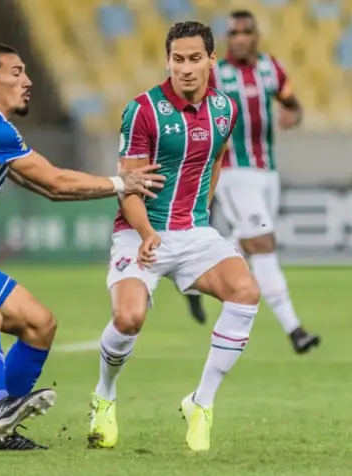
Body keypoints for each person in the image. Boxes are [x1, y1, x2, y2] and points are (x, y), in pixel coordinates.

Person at [0, 43, 165, 452]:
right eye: (16, 72)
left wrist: (113, 187)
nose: (27, 81)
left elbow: (48, 190)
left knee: (39, 324)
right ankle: (0, 405)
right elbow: (54, 180)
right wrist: (119, 183)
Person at [88, 21, 259, 452]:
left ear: (211, 61)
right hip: (139, 231)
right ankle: (104, 396)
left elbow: (216, 161)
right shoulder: (142, 110)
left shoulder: (225, 109)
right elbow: (128, 184)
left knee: (246, 291)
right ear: (168, 61)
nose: (185, 68)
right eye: (178, 59)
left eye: (195, 59)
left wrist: (200, 214)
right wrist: (146, 233)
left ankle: (201, 403)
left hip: (194, 233)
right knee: (128, 318)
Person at [184, 10, 321, 354]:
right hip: (232, 173)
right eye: (234, 33)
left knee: (248, 242)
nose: (241, 38)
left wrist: (294, 113)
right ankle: (295, 329)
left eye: (246, 31)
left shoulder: (271, 68)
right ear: (228, 39)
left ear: (256, 35)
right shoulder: (214, 74)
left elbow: (291, 102)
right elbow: (189, 111)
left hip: (267, 173)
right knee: (263, 241)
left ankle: (194, 276)